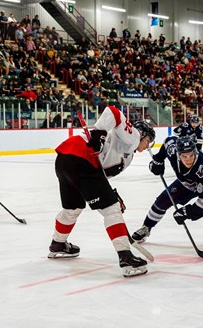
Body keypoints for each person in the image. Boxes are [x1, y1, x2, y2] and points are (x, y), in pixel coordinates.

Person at [49, 106, 155, 278]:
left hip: (65, 160)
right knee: (111, 210)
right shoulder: (133, 136)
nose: (147, 145)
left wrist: (110, 193)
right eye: (148, 141)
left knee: (73, 208)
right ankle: (126, 258)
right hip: (81, 157)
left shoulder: (127, 155)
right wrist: (99, 133)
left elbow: (99, 175)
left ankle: (58, 244)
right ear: (143, 135)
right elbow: (113, 112)